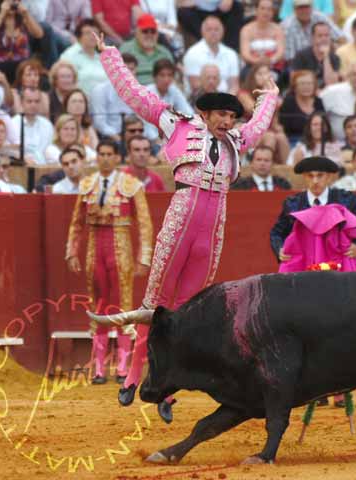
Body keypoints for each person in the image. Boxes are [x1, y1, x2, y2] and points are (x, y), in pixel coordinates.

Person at [94, 32, 279, 422]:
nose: (228, 122)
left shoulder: (235, 143)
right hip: (181, 220)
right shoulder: (175, 124)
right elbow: (135, 94)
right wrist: (109, 54)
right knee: (156, 304)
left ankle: (167, 392)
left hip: (211, 233)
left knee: (184, 313)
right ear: (206, 115)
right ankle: (131, 376)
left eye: (231, 117)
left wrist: (271, 97)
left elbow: (259, 126)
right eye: (222, 116)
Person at [270, 154, 356, 408]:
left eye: (320, 176)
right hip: (306, 270)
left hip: (338, 270)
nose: (315, 181)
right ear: (304, 178)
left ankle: (340, 386)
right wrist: (279, 250)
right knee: (309, 329)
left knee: (340, 327)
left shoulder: (347, 199)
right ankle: (316, 390)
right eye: (310, 176)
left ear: (329, 177)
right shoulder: (293, 203)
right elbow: (277, 232)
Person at [65, 138, 153, 385]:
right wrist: (71, 252)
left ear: (116, 158)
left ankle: (123, 367)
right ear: (97, 157)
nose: (104, 158)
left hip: (120, 248)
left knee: (123, 305)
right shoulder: (87, 185)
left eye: (108, 154)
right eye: (100, 153)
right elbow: (76, 223)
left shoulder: (131, 185)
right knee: (99, 304)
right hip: (95, 250)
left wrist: (143, 258)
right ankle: (100, 368)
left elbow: (145, 225)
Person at [236, 64, 290, 164]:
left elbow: (274, 122)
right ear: (253, 77)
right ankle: (260, 164)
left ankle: (285, 169)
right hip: (249, 128)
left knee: (281, 137)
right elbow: (255, 111)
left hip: (266, 129)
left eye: (266, 73)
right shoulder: (243, 93)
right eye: (260, 74)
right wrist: (267, 96)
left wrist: (278, 128)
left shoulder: (272, 94)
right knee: (269, 137)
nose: (264, 77)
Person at [0, 0, 44, 84]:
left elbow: (39, 34)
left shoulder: (23, 19)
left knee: (31, 72)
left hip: (21, 66)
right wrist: (2, 13)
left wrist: (26, 14)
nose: (11, 3)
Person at [182, 16, 240, 95]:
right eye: (209, 29)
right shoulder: (192, 53)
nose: (213, 32)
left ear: (223, 31)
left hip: (226, 99)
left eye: (216, 29)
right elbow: (195, 85)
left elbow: (234, 85)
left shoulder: (231, 54)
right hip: (201, 98)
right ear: (202, 32)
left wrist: (227, 101)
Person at [319, 62, 356, 140]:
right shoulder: (332, 91)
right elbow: (317, 111)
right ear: (348, 76)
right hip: (336, 141)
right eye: (354, 74)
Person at [145, 59, 194, 143]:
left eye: (169, 75)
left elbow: (189, 113)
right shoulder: (147, 93)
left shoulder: (174, 90)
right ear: (154, 77)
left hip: (170, 138)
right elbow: (146, 126)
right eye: (162, 75)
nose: (166, 79)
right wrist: (159, 142)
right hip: (149, 140)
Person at [91, 53, 137, 142]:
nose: (128, 73)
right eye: (124, 69)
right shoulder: (100, 90)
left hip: (133, 135)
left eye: (131, 69)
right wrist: (119, 139)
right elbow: (99, 123)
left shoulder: (138, 92)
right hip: (107, 137)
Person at [120, 14, 174, 86]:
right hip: (135, 92)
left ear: (157, 34)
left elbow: (172, 78)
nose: (149, 34)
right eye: (145, 31)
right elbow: (119, 77)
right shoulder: (126, 49)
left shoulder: (165, 52)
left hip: (161, 92)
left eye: (153, 31)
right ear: (137, 32)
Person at [60, 19, 108, 95]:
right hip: (79, 102)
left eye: (96, 33)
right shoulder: (69, 55)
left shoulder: (102, 58)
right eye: (88, 33)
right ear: (79, 37)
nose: (92, 36)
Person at [239, 0, 286, 79]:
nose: (266, 12)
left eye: (269, 9)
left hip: (273, 64)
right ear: (256, 10)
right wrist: (258, 62)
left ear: (272, 12)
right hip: (252, 65)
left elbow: (280, 52)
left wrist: (271, 60)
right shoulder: (246, 29)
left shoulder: (278, 29)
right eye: (262, 8)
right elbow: (245, 54)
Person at [177, 0, 245, 51]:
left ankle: (230, 49)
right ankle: (209, 44)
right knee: (183, 13)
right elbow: (183, 3)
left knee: (237, 7)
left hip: (221, 9)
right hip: (198, 11)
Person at [291, 21, 341, 89]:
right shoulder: (301, 55)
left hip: (326, 93)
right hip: (305, 92)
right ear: (313, 38)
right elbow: (294, 81)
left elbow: (332, 84)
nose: (324, 39)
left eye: (326, 35)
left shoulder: (334, 58)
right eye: (320, 36)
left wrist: (326, 56)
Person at [279, 70, 324, 143]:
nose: (306, 87)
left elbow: (324, 125)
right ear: (295, 87)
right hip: (293, 141)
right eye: (302, 84)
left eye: (309, 84)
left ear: (314, 86)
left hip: (317, 141)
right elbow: (284, 129)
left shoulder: (319, 102)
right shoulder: (288, 103)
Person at [11, 87, 54, 165]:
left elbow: (50, 149)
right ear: (21, 103)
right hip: (21, 168)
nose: (33, 105)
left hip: (45, 167)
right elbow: (11, 151)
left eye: (37, 101)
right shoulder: (13, 124)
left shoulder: (47, 124)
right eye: (29, 101)